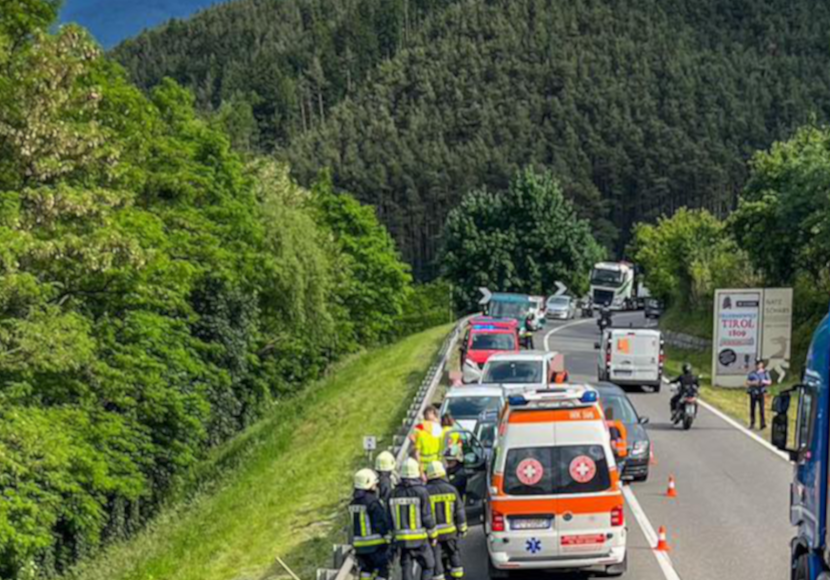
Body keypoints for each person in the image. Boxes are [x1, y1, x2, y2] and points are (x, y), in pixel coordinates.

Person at [390, 458, 437, 580]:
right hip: (420, 540)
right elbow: (427, 517)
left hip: (402, 541)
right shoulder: (422, 492)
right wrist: (433, 535)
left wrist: (392, 540)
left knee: (406, 567)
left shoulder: (393, 493)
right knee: (429, 565)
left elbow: (388, 518)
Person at [425, 461, 468, 580]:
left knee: (436, 557)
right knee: (453, 553)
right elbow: (459, 510)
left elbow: (424, 514)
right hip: (450, 532)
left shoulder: (425, 492)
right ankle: (457, 577)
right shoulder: (451, 489)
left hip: (434, 534)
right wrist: (462, 528)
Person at [350, 469, 392, 580]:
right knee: (382, 570)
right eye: (374, 482)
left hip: (359, 547)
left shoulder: (353, 503)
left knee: (366, 571)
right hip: (375, 546)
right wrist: (387, 537)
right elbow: (380, 522)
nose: (376, 485)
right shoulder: (373, 502)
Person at [747, 359, 772, 430]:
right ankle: (752, 423)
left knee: (762, 409)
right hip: (753, 392)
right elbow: (748, 382)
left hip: (761, 392)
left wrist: (763, 381)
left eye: (759, 364)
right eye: (757, 364)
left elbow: (769, 382)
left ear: (762, 365)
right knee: (752, 408)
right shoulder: (752, 373)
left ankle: (762, 424)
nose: (758, 365)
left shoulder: (765, 373)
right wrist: (754, 383)